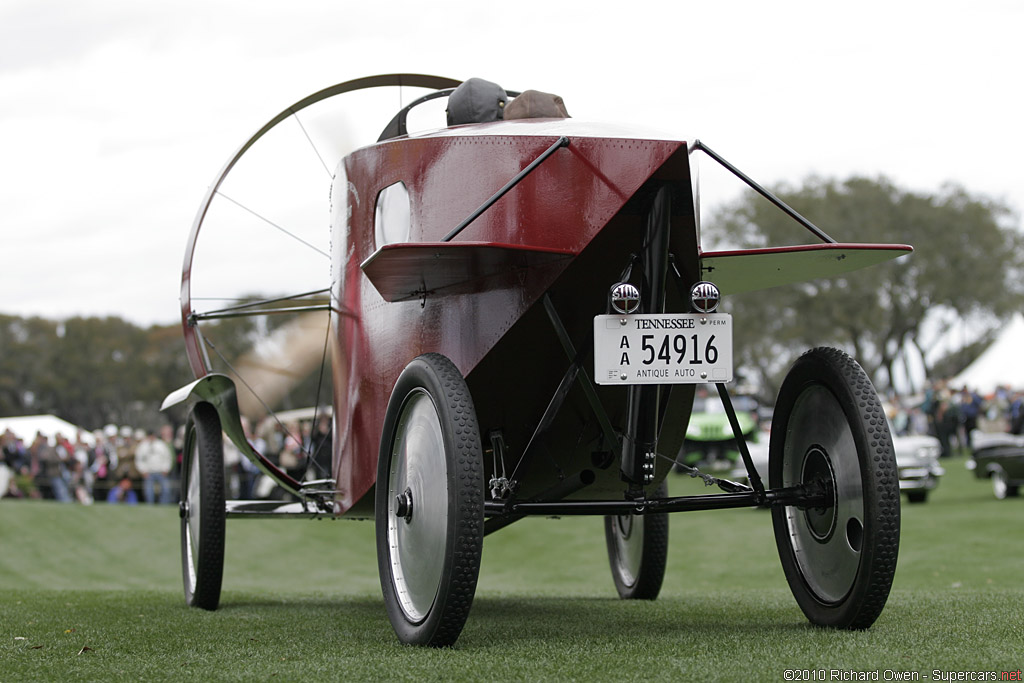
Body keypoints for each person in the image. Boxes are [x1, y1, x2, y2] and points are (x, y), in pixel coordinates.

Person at [135, 429, 174, 504]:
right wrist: (143, 471)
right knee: (149, 491)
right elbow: (139, 459)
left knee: (166, 489)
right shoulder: (143, 445)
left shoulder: (161, 444)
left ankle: (164, 504)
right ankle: (150, 505)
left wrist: (166, 469)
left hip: (161, 471)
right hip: (148, 472)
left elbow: (167, 457)